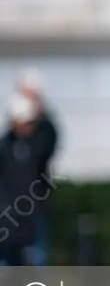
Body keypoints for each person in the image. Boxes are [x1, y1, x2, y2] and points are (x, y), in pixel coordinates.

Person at [16, 69, 59, 265]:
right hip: (9, 206)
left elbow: (46, 151)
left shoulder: (44, 129)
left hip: (34, 204)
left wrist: (40, 117)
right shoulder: (10, 139)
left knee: (36, 255)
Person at [0, 93, 47, 266]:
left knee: (32, 262)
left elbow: (51, 139)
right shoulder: (4, 147)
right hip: (7, 216)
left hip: (30, 216)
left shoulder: (36, 145)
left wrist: (42, 108)